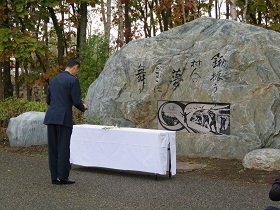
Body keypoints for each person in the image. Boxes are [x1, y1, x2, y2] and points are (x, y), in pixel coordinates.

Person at [44, 58, 88, 185]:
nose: (77, 73)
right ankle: (62, 177)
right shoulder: (73, 80)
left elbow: (48, 100)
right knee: (63, 147)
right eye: (77, 70)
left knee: (53, 148)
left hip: (51, 117)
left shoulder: (54, 80)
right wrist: (83, 107)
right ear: (75, 67)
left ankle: (54, 177)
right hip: (64, 118)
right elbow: (76, 100)